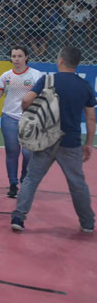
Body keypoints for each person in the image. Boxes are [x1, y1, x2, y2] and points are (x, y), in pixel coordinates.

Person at [11, 46, 95, 233]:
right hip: (70, 142)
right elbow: (91, 118)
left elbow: (26, 100)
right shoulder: (85, 86)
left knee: (31, 179)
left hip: (46, 139)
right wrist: (88, 143)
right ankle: (87, 222)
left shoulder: (48, 80)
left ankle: (18, 217)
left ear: (60, 60)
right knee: (77, 183)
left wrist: (29, 116)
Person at [0, 45, 44, 198]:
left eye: (20, 56)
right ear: (10, 58)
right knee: (12, 152)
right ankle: (13, 184)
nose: (16, 59)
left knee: (28, 153)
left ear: (26, 57)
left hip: (30, 120)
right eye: (14, 56)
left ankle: (25, 179)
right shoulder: (6, 76)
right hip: (9, 118)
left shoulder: (37, 75)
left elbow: (44, 96)